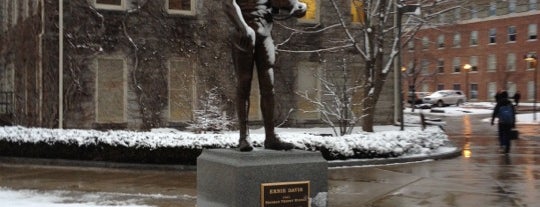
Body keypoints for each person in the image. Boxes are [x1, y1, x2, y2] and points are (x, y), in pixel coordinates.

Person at [223, 0, 307, 152]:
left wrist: (296, 5)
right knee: (244, 83)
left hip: (264, 34)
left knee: (268, 86)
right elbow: (228, 4)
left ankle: (270, 137)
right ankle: (244, 136)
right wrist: (243, 27)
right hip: (243, 34)